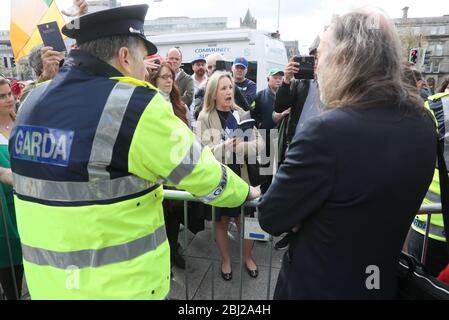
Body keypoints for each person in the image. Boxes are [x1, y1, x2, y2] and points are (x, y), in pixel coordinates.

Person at [9, 5, 259, 300]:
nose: (146, 70)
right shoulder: (135, 104)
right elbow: (198, 170)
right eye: (143, 59)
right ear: (124, 57)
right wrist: (245, 193)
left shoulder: (31, 100)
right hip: (121, 287)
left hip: (48, 286)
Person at [258, 9, 436, 299]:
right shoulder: (423, 124)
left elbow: (270, 216)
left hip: (318, 286)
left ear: (345, 58)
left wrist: (309, 212)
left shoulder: (326, 132)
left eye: (322, 56)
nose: (317, 67)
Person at [196, 72, 264, 281]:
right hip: (220, 180)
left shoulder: (242, 113)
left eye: (230, 87)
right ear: (213, 93)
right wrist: (224, 147)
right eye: (223, 88)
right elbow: (201, 153)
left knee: (245, 223)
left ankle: (248, 258)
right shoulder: (204, 117)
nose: (228, 92)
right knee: (222, 223)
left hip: (242, 179)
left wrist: (242, 146)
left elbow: (260, 145)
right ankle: (226, 260)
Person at [271, 39, 323, 251]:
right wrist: (286, 80)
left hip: (321, 147)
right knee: (293, 191)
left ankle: (306, 232)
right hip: (296, 144)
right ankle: (291, 231)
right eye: (311, 58)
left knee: (313, 193)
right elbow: (280, 105)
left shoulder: (335, 83)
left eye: (318, 58)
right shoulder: (300, 82)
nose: (314, 63)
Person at [149, 62, 189, 269]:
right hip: (155, 171)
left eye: (170, 77)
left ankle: (174, 248)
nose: (167, 80)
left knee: (174, 216)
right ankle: (163, 255)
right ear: (154, 79)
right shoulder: (148, 104)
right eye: (163, 76)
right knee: (159, 216)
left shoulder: (179, 105)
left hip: (176, 171)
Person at [406, 85, 449, 276]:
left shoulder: (436, 105)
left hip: (429, 227)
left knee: (422, 287)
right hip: (429, 227)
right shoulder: (435, 105)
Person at [0, 78, 23, 300]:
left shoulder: (23, 122)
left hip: (26, 201)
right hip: (3, 212)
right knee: (10, 271)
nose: (9, 99)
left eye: (9, 94)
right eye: (2, 96)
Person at [251, 68, 284, 194]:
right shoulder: (260, 96)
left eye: (280, 78)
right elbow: (252, 113)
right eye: (275, 77)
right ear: (268, 79)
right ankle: (264, 196)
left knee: (281, 168)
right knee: (266, 170)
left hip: (281, 137)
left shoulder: (287, 94)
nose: (278, 80)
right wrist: (259, 124)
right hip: (265, 136)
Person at [193, 53, 250, 120]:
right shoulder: (202, 90)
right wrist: (210, 91)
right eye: (209, 67)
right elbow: (197, 115)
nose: (212, 70)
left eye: (215, 66)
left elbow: (246, 109)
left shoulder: (233, 87)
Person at [190, 56, 207, 129]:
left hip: (207, 121)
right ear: (193, 67)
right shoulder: (188, 81)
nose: (201, 67)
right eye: (198, 65)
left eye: (203, 65)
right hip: (192, 122)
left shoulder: (210, 82)